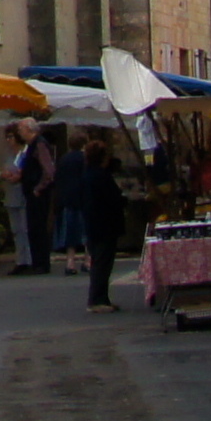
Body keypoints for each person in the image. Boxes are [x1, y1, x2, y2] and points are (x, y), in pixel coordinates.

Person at [80, 138, 127, 313]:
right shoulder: (100, 176)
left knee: (100, 262)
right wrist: (122, 200)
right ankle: (97, 300)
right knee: (102, 263)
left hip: (94, 223)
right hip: (104, 224)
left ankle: (102, 298)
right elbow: (111, 198)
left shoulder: (88, 174)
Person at [5, 119, 52, 274]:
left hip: (36, 193)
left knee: (38, 227)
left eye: (21, 129)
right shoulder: (31, 147)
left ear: (28, 129)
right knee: (33, 228)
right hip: (30, 191)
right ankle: (37, 262)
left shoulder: (39, 144)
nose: (19, 133)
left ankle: (42, 263)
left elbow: (48, 170)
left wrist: (38, 188)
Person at [51, 129, 91, 272]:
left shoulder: (63, 160)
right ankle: (88, 260)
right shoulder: (86, 159)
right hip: (83, 199)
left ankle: (70, 262)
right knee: (87, 231)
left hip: (67, 200)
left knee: (70, 233)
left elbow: (57, 179)